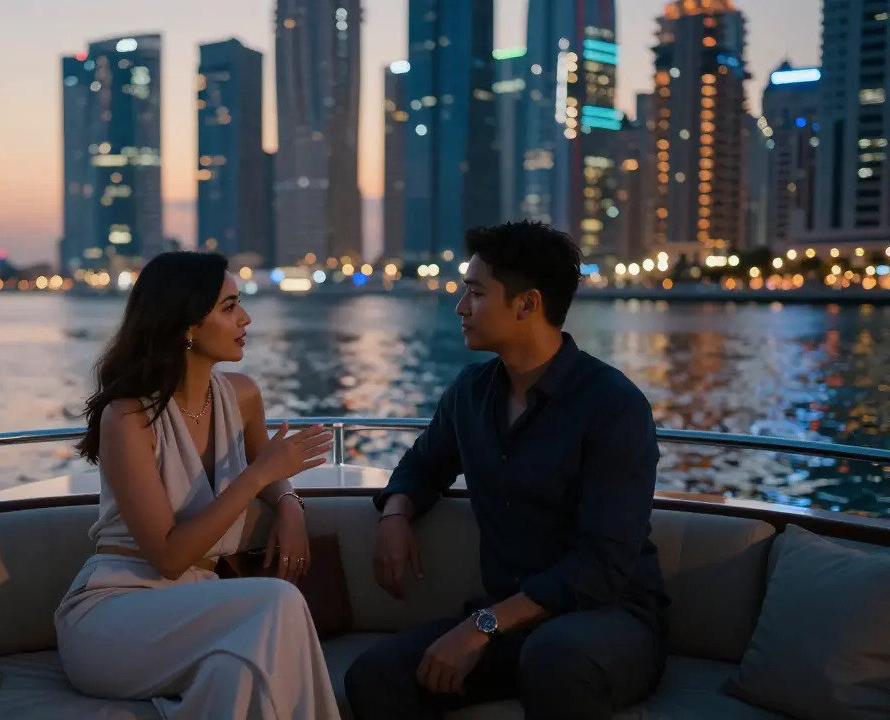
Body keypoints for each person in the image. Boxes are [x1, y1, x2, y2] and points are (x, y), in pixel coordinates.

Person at [345, 221, 669, 720]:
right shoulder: (472, 393)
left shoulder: (613, 405)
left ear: (527, 304)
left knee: (556, 659)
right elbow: (422, 465)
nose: (460, 307)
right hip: (507, 618)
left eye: (475, 293)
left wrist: (482, 625)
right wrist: (395, 514)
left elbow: (603, 564)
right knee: (374, 677)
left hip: (609, 621)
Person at [54, 250, 344, 720]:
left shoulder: (243, 396)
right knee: (280, 600)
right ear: (187, 325)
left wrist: (289, 505)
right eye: (229, 307)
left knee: (240, 675)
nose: (246, 318)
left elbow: (267, 471)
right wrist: (262, 474)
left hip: (201, 605)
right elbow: (168, 558)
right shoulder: (128, 417)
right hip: (115, 613)